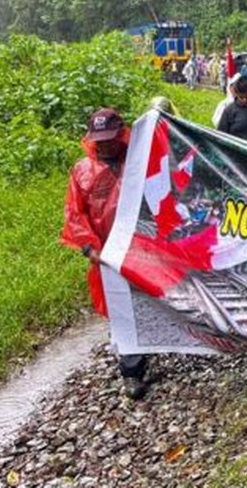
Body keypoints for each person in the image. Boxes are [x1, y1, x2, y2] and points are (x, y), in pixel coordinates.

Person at [60, 108, 149, 400]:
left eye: (110, 138)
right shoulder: (83, 171)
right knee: (121, 310)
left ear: (121, 133)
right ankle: (131, 372)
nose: (106, 145)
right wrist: (90, 248)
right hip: (108, 252)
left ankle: (150, 346)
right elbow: (76, 214)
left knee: (150, 300)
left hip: (144, 247)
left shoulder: (141, 160)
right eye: (100, 140)